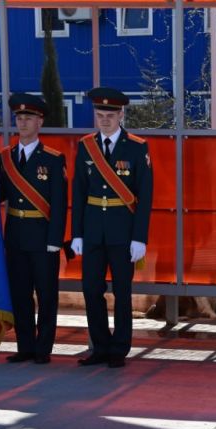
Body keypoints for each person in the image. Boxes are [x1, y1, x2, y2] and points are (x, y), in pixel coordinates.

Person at [70, 87, 153, 369]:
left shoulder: (137, 147)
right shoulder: (85, 146)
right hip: (93, 231)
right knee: (91, 289)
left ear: (121, 115)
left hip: (122, 232)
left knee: (122, 292)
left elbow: (145, 196)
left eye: (110, 115)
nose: (104, 120)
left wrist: (139, 238)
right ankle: (100, 346)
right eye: (99, 114)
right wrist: (77, 233)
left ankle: (119, 348)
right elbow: (79, 192)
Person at [0, 93, 67, 365]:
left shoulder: (52, 159)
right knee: (20, 293)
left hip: (42, 236)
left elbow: (60, 204)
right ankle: (25, 346)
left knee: (46, 294)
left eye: (29, 118)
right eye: (19, 117)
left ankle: (43, 348)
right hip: (16, 235)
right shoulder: (5, 158)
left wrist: (55, 240)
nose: (23, 122)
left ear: (40, 122)